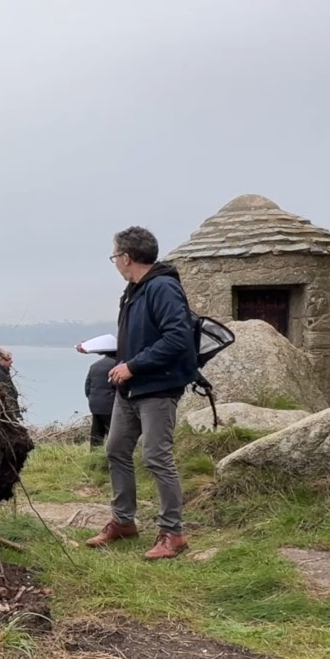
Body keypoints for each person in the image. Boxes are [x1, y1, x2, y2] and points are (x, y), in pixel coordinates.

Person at [86, 227, 198, 559]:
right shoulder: (134, 291)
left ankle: (172, 533)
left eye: (115, 256)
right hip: (130, 389)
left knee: (156, 457)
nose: (115, 262)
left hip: (157, 389)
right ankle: (123, 522)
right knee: (117, 449)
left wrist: (132, 366)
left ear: (127, 257)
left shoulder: (162, 287)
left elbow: (178, 338)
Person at [77, 335, 119, 448]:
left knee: (96, 434)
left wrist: (93, 398)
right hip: (110, 406)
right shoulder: (118, 366)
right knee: (114, 435)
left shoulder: (94, 366)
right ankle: (112, 457)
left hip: (95, 404)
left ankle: (94, 457)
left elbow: (87, 387)